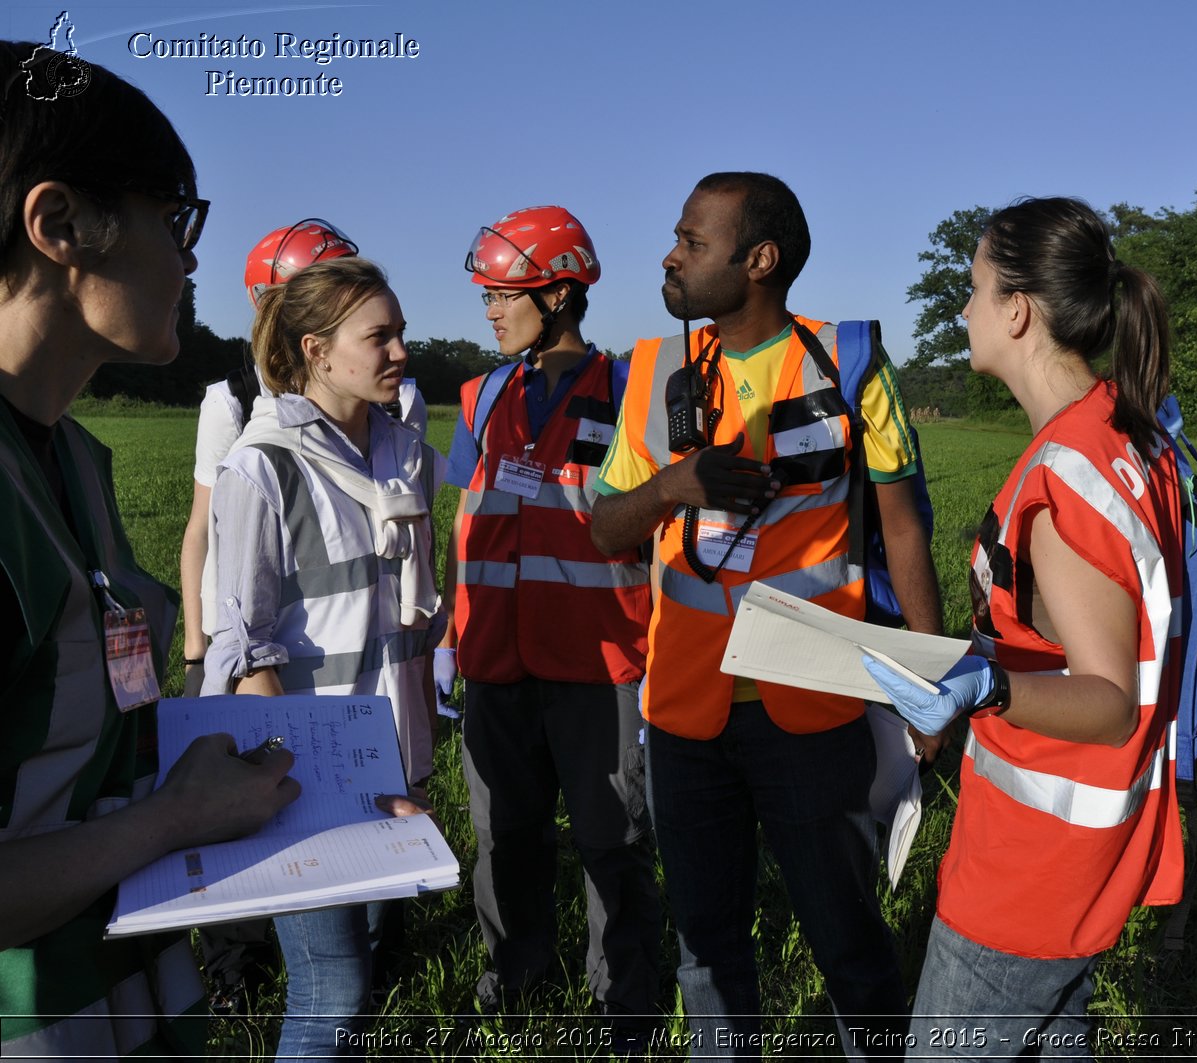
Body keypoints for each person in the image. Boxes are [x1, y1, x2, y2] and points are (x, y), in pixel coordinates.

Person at [590, 172, 942, 1057]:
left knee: (847, 939)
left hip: (810, 709)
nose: (670, 256)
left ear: (760, 260)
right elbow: (603, 529)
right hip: (683, 718)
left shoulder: (847, 359)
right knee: (706, 952)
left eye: (692, 242)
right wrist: (676, 483)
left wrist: (931, 681)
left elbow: (904, 525)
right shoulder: (652, 371)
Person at [0, 40, 299, 1059]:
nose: (190, 257)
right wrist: (171, 821)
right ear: (58, 225)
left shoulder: (74, 459)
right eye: (176, 218)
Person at [860, 197, 1186, 1056]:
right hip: (1083, 855)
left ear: (1018, 310)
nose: (963, 310)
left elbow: (1110, 695)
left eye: (973, 290)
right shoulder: (1124, 432)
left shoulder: (1068, 472)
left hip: (1029, 874)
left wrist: (987, 686)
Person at [201, 255, 444, 1060]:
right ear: (316, 349)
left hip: (395, 764)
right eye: (381, 335)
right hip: (308, 776)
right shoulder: (261, 466)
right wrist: (326, 789)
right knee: (331, 986)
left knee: (367, 964)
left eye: (402, 332)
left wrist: (400, 767)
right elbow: (247, 658)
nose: (401, 350)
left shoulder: (406, 451)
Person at [443, 206, 661, 1035]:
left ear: (563, 294)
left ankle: (626, 1003)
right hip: (495, 660)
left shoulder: (631, 393)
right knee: (505, 836)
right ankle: (516, 985)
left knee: (613, 836)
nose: (491, 310)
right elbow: (469, 518)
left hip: (599, 662)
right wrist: (455, 640)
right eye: (488, 296)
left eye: (507, 294)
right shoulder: (479, 395)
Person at [180, 219, 427, 700]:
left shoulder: (397, 423)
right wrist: (197, 652)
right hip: (276, 657)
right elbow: (203, 529)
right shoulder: (236, 406)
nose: (399, 353)